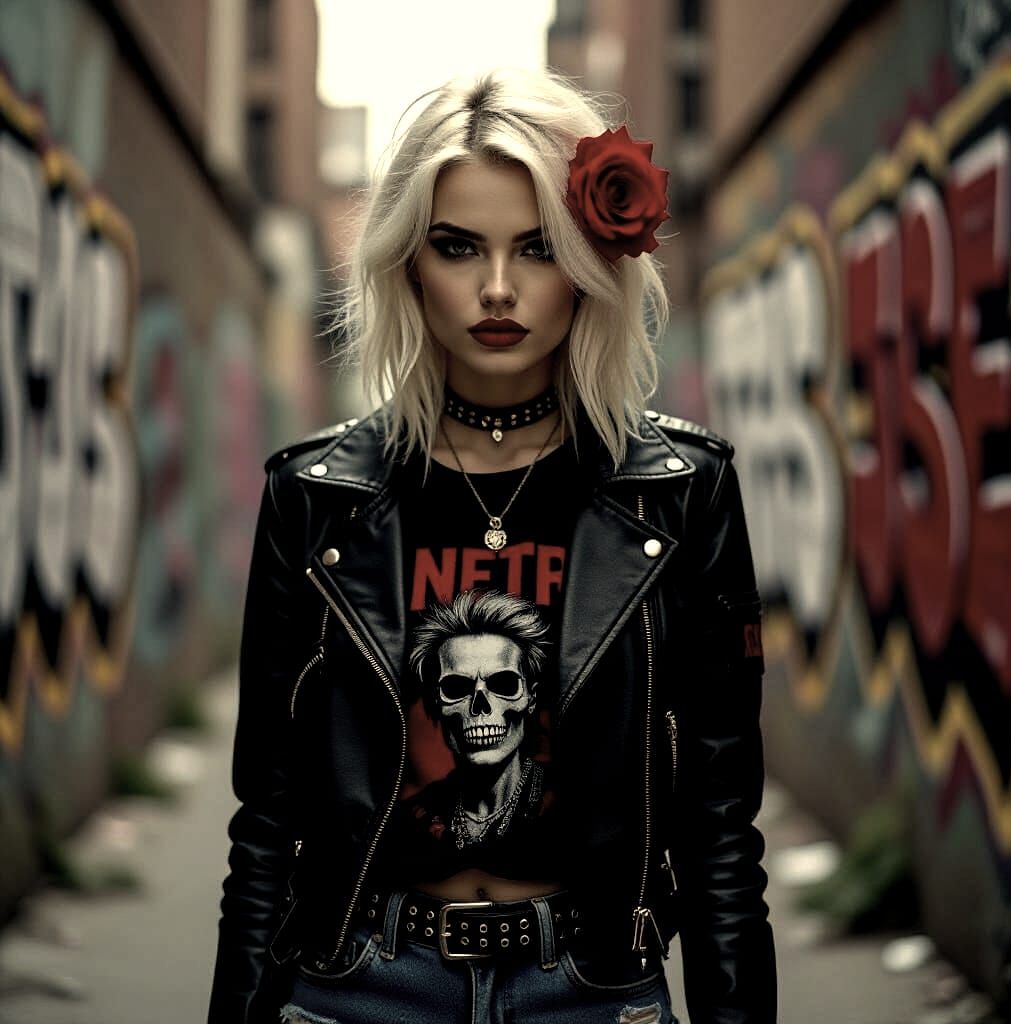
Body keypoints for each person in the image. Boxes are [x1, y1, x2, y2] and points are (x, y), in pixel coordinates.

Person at [207, 67, 777, 1024]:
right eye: (460, 247)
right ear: (407, 265)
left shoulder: (681, 496)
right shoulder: (317, 501)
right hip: (360, 989)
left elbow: (721, 831)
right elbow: (267, 821)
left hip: (590, 990)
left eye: (539, 248)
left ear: (597, 261)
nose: (500, 288)